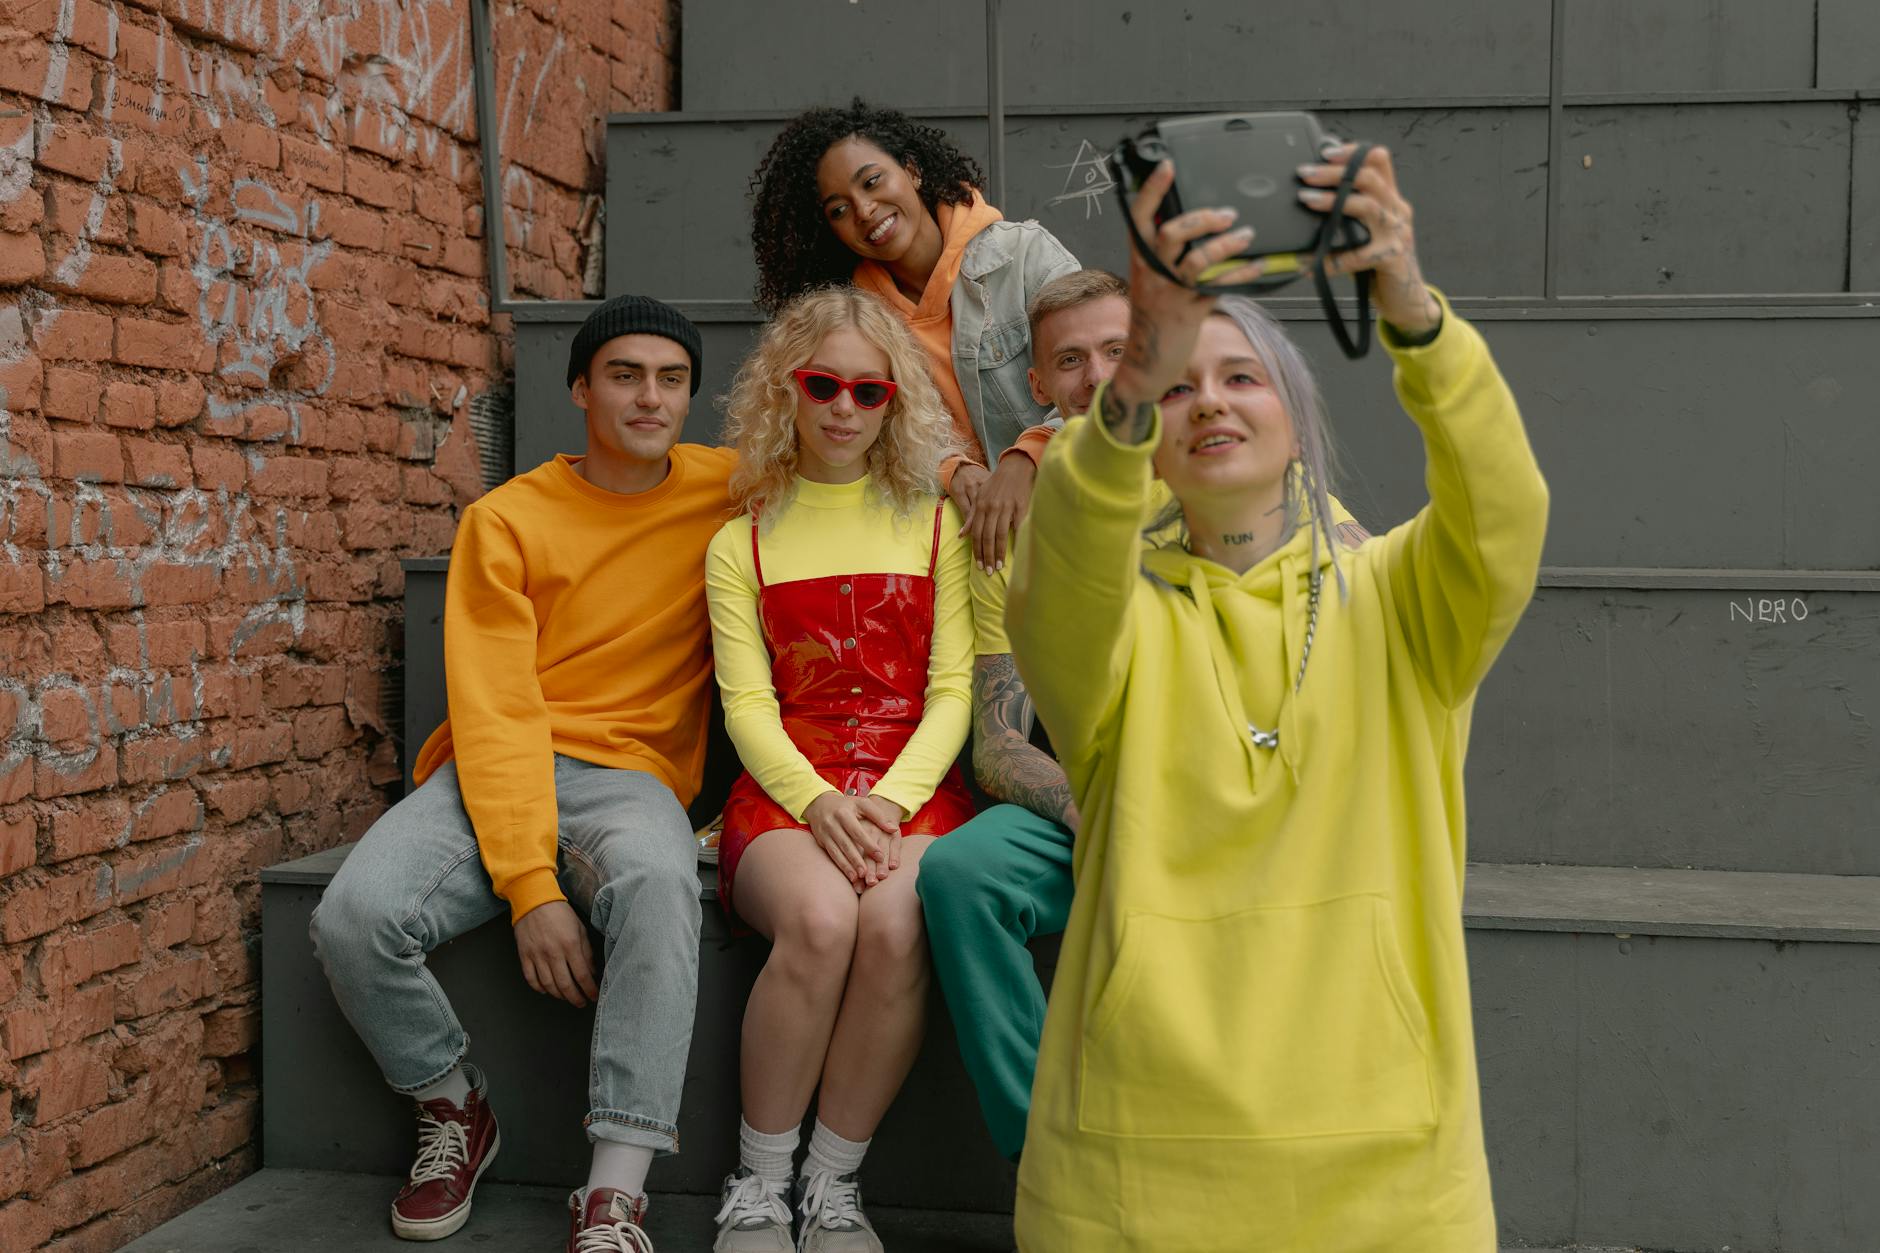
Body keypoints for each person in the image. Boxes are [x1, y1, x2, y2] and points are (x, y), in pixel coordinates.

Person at [1005, 146, 1549, 1250]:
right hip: (1132, 1165)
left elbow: (1502, 506)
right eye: (1173, 384)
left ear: (1295, 418)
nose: (1205, 399)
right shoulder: (1107, 630)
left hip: (1386, 1164)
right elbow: (1062, 556)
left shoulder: (1402, 602)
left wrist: (1407, 304)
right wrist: (1132, 360)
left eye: (1240, 376)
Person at [916, 268, 1370, 1165]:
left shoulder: (1223, 467)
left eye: (1117, 352)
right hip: (1093, 802)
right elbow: (999, 744)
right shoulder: (1014, 522)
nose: (1095, 377)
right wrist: (1093, 807)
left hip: (1234, 797)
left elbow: (1356, 598)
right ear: (1039, 386)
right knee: (962, 874)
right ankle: (1047, 1154)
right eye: (1070, 360)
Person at [311, 295, 734, 1253]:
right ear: (581, 386)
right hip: (498, 764)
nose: (648, 396)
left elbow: (864, 457)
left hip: (630, 776)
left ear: (691, 398)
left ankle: (613, 1192)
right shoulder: (506, 519)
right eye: (624, 374)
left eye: (671, 380)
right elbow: (496, 706)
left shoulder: (732, 488)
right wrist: (531, 885)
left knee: (663, 884)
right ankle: (454, 1103)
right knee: (353, 915)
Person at [703, 287, 976, 1253]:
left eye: (871, 391)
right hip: (790, 787)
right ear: (788, 389)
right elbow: (747, 709)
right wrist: (822, 803)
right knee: (820, 919)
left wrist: (887, 805)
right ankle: (760, 1184)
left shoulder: (936, 524)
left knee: (899, 920)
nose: (845, 410)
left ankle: (832, 1186)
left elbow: (953, 691)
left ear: (895, 401)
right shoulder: (742, 540)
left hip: (915, 782)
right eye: (823, 386)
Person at [748, 98, 1078, 570]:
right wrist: (952, 469)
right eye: (839, 209)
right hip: (952, 555)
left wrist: (1027, 457)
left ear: (913, 170)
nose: (864, 210)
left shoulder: (1023, 257)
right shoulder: (852, 321)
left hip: (1070, 522)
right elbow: (866, 435)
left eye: (872, 181)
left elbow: (1112, 380)